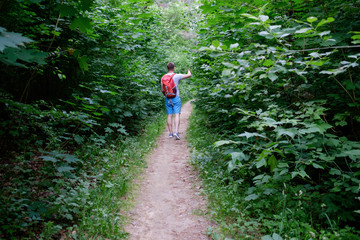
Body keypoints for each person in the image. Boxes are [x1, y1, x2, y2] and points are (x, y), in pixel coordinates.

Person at [161, 62, 192, 140]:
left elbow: (162, 89)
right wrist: (188, 70)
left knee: (169, 115)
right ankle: (176, 132)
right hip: (176, 97)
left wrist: (166, 95)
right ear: (173, 68)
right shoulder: (176, 76)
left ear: (167, 68)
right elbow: (189, 75)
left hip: (168, 98)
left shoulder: (163, 77)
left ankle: (170, 133)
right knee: (177, 114)